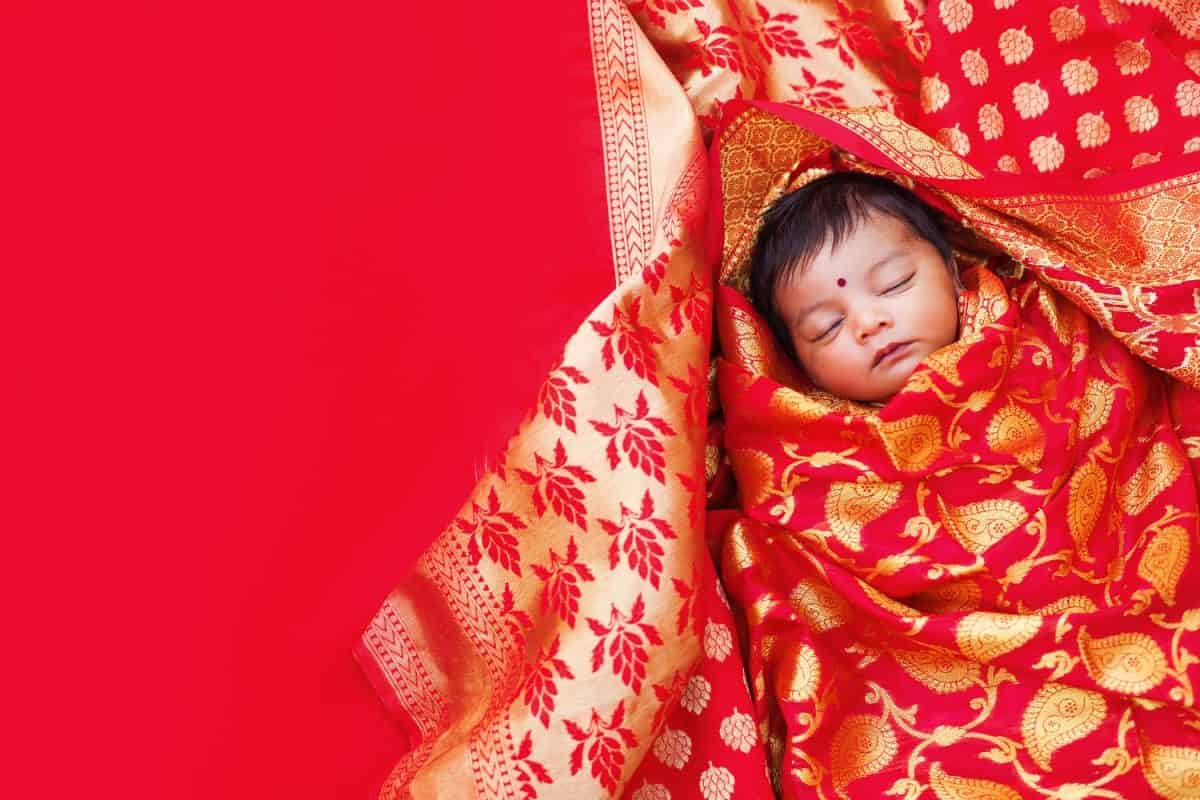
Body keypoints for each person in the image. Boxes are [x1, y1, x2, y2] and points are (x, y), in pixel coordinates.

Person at [748, 173, 962, 404]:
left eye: (894, 282)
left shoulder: (1003, 332)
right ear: (801, 367)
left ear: (951, 271)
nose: (869, 323)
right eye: (827, 327)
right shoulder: (809, 433)